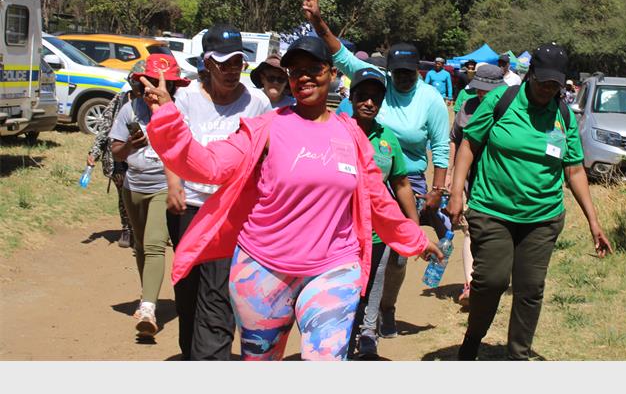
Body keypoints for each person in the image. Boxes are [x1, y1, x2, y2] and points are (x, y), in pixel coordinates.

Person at [141, 35, 443, 360]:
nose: (304, 77)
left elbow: (377, 198)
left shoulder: (351, 135)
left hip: (334, 267)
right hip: (262, 268)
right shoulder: (264, 128)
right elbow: (208, 165)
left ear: (332, 73)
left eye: (314, 68)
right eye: (296, 71)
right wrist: (167, 117)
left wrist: (413, 238)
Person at [302, 0, 450, 340]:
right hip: (361, 173)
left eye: (408, 73)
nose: (402, 78)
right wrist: (318, 21)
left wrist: (436, 190)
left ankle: (386, 307)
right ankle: (354, 315)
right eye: (397, 72)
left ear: (418, 71)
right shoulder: (377, 84)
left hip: (407, 177)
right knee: (357, 245)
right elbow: (341, 56)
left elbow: (441, 147)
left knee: (397, 255)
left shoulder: (430, 99)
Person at [447, 42, 612, 360]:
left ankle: (518, 356)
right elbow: (469, 144)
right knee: (491, 280)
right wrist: (456, 192)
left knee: (530, 288)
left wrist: (594, 222)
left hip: (542, 217)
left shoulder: (562, 114)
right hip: (492, 209)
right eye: (543, 82)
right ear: (530, 74)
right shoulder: (502, 100)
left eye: (555, 84)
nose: (548, 89)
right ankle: (473, 338)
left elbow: (574, 169)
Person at [165, 23, 271, 361]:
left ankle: (211, 362)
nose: (231, 70)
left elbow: (267, 154)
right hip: (191, 207)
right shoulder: (187, 97)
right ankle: (190, 354)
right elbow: (175, 143)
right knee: (187, 289)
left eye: (237, 62)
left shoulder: (257, 103)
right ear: (207, 63)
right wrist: (174, 184)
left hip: (231, 213)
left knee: (218, 292)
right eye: (223, 63)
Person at [108, 54, 190, 337]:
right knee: (141, 245)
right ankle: (148, 295)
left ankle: (148, 309)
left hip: (163, 186)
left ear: (174, 86)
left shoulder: (181, 111)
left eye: (163, 83)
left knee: (155, 244)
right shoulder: (129, 110)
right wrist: (131, 145)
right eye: (149, 82)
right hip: (133, 187)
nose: (154, 88)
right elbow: (116, 152)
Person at [344, 67, 419, 359]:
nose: (369, 103)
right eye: (362, 96)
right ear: (351, 97)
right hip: (341, 231)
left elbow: (400, 183)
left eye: (375, 98)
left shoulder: (388, 139)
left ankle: (368, 333)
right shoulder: (337, 130)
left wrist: (412, 224)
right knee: (348, 285)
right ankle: (344, 332)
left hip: (378, 230)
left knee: (375, 281)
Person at [445, 64, 505, 309]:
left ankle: (490, 280)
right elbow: (455, 140)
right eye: (478, 88)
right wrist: (451, 175)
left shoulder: (508, 107)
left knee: (495, 231)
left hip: (498, 180)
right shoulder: (468, 107)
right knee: (470, 228)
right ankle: (470, 284)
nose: (481, 93)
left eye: (486, 90)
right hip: (470, 177)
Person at [87, 59, 146, 249]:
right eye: (136, 83)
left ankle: (143, 230)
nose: (140, 88)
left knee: (142, 195)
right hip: (119, 157)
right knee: (123, 196)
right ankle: (127, 228)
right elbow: (104, 129)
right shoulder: (120, 101)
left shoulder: (153, 103)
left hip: (144, 159)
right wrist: (94, 153)